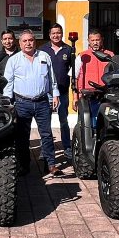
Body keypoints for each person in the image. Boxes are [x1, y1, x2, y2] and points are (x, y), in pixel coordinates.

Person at [4, 30, 61, 177]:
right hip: (22, 103)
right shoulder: (14, 60)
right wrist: (7, 103)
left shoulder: (44, 56)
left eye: (31, 40)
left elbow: (51, 78)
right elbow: (8, 83)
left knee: (47, 134)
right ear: (20, 43)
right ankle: (24, 165)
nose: (28, 43)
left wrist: (55, 95)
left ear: (35, 42)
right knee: (22, 136)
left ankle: (50, 164)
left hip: (42, 102)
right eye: (25, 41)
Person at [41, 23, 75, 162]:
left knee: (63, 121)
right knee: (45, 123)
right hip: (46, 93)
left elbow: (73, 71)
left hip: (63, 92)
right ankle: (45, 150)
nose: (56, 35)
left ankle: (67, 147)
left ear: (62, 33)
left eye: (58, 32)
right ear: (49, 35)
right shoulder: (43, 50)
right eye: (53, 33)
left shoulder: (68, 49)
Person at [75, 29, 113, 128]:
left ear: (102, 40)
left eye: (97, 40)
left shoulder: (110, 55)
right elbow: (75, 77)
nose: (95, 42)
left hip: (105, 96)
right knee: (86, 125)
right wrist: (75, 98)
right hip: (88, 96)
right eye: (92, 40)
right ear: (88, 41)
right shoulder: (82, 56)